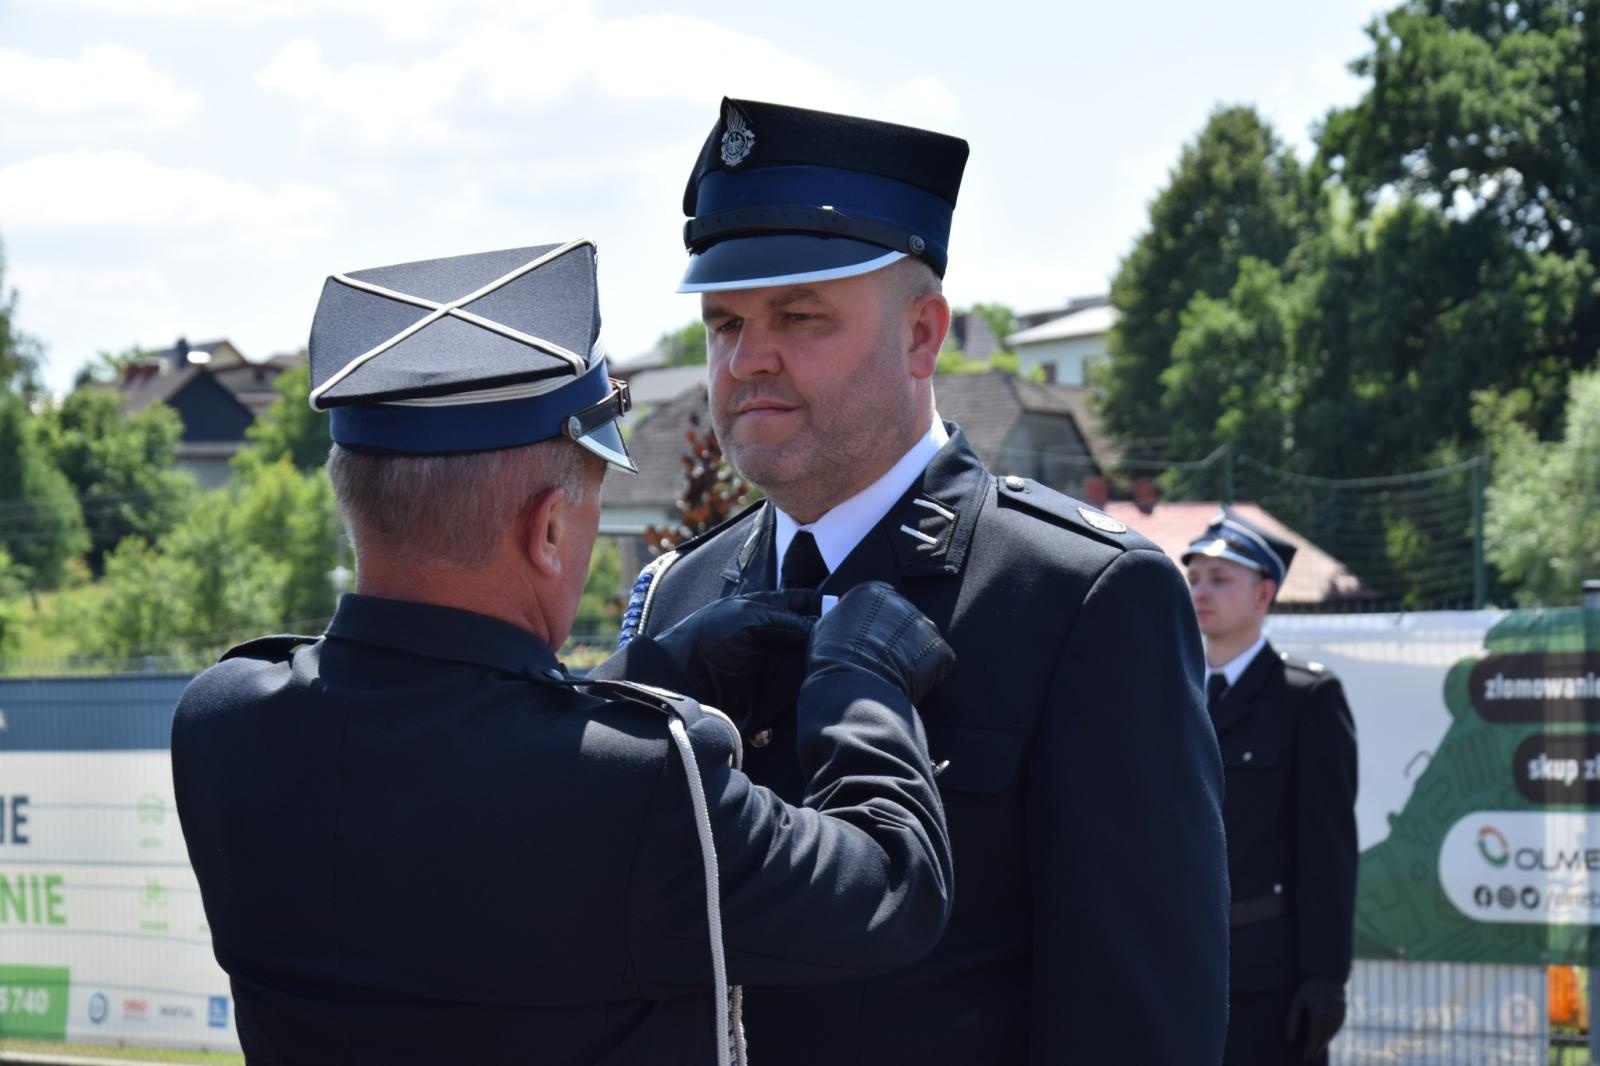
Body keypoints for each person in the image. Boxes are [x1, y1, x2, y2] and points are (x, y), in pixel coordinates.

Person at [170, 239, 961, 1066]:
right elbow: (891, 887)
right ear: (548, 530)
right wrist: (859, 683)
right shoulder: (643, 789)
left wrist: (643, 679)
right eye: (584, 519)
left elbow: (459, 767)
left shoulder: (223, 721)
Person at [619, 98, 1230, 1064]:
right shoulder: (678, 599)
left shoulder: (1078, 596)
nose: (748, 357)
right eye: (724, 320)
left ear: (922, 335)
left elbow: (1138, 1018)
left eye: (800, 315)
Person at [1184, 506, 1360, 1065]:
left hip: (1266, 974)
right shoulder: (1172, 691)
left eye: (1219, 579)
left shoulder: (1304, 697)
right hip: (1179, 961)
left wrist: (1325, 976)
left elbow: (1328, 852)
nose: (1201, 592)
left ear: (1264, 595)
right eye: (1193, 579)